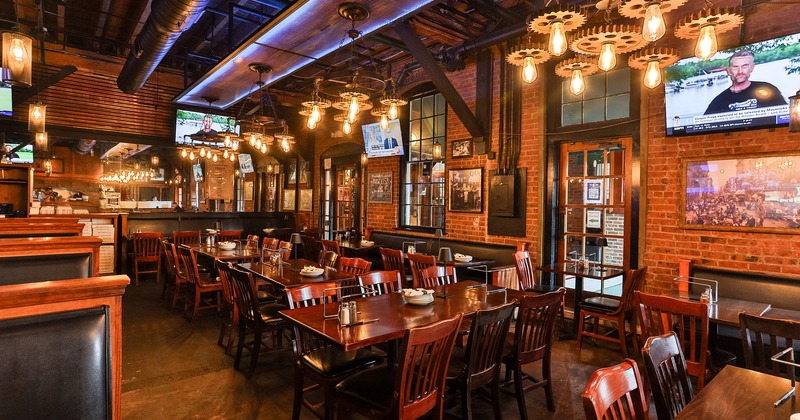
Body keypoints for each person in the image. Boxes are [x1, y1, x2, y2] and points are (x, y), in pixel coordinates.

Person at [704, 49, 787, 115]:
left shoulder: (768, 89)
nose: (740, 71)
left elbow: (785, 115)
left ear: (752, 68)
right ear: (729, 71)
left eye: (744, 66)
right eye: (735, 67)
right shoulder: (719, 101)